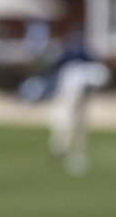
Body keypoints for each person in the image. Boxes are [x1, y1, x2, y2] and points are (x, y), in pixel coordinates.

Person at [45, 32, 109, 176]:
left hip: (76, 90)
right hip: (73, 90)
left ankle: (64, 146)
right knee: (69, 119)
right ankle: (61, 144)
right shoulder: (81, 59)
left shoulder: (76, 60)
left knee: (72, 120)